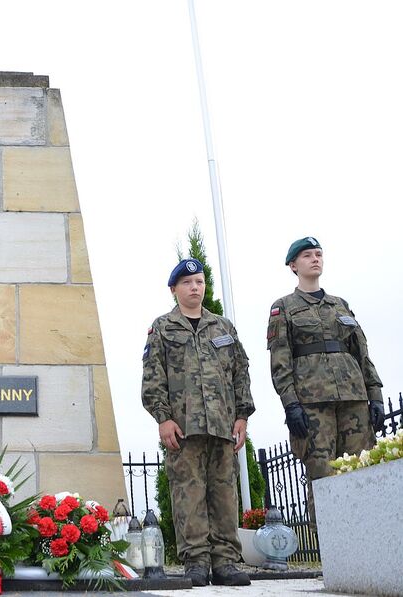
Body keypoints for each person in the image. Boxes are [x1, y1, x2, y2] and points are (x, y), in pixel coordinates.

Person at [142, 258, 255, 587]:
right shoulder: (163, 328)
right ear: (174, 289)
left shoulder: (223, 328)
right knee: (187, 495)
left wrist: (242, 416)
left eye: (200, 281)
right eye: (188, 282)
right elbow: (153, 378)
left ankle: (226, 562)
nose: (195, 287)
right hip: (184, 428)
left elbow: (240, 373)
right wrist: (163, 419)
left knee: (224, 494)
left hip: (222, 427)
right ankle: (196, 560)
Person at [267, 237, 383, 531]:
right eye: (307, 255)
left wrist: (376, 396)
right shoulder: (284, 307)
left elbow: (362, 354)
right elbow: (281, 361)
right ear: (293, 265)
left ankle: (366, 542)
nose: (315, 259)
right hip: (312, 404)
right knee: (323, 475)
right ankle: (332, 551)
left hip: (353, 399)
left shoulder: (340, 305)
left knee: (361, 471)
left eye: (318, 254)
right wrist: (291, 404)